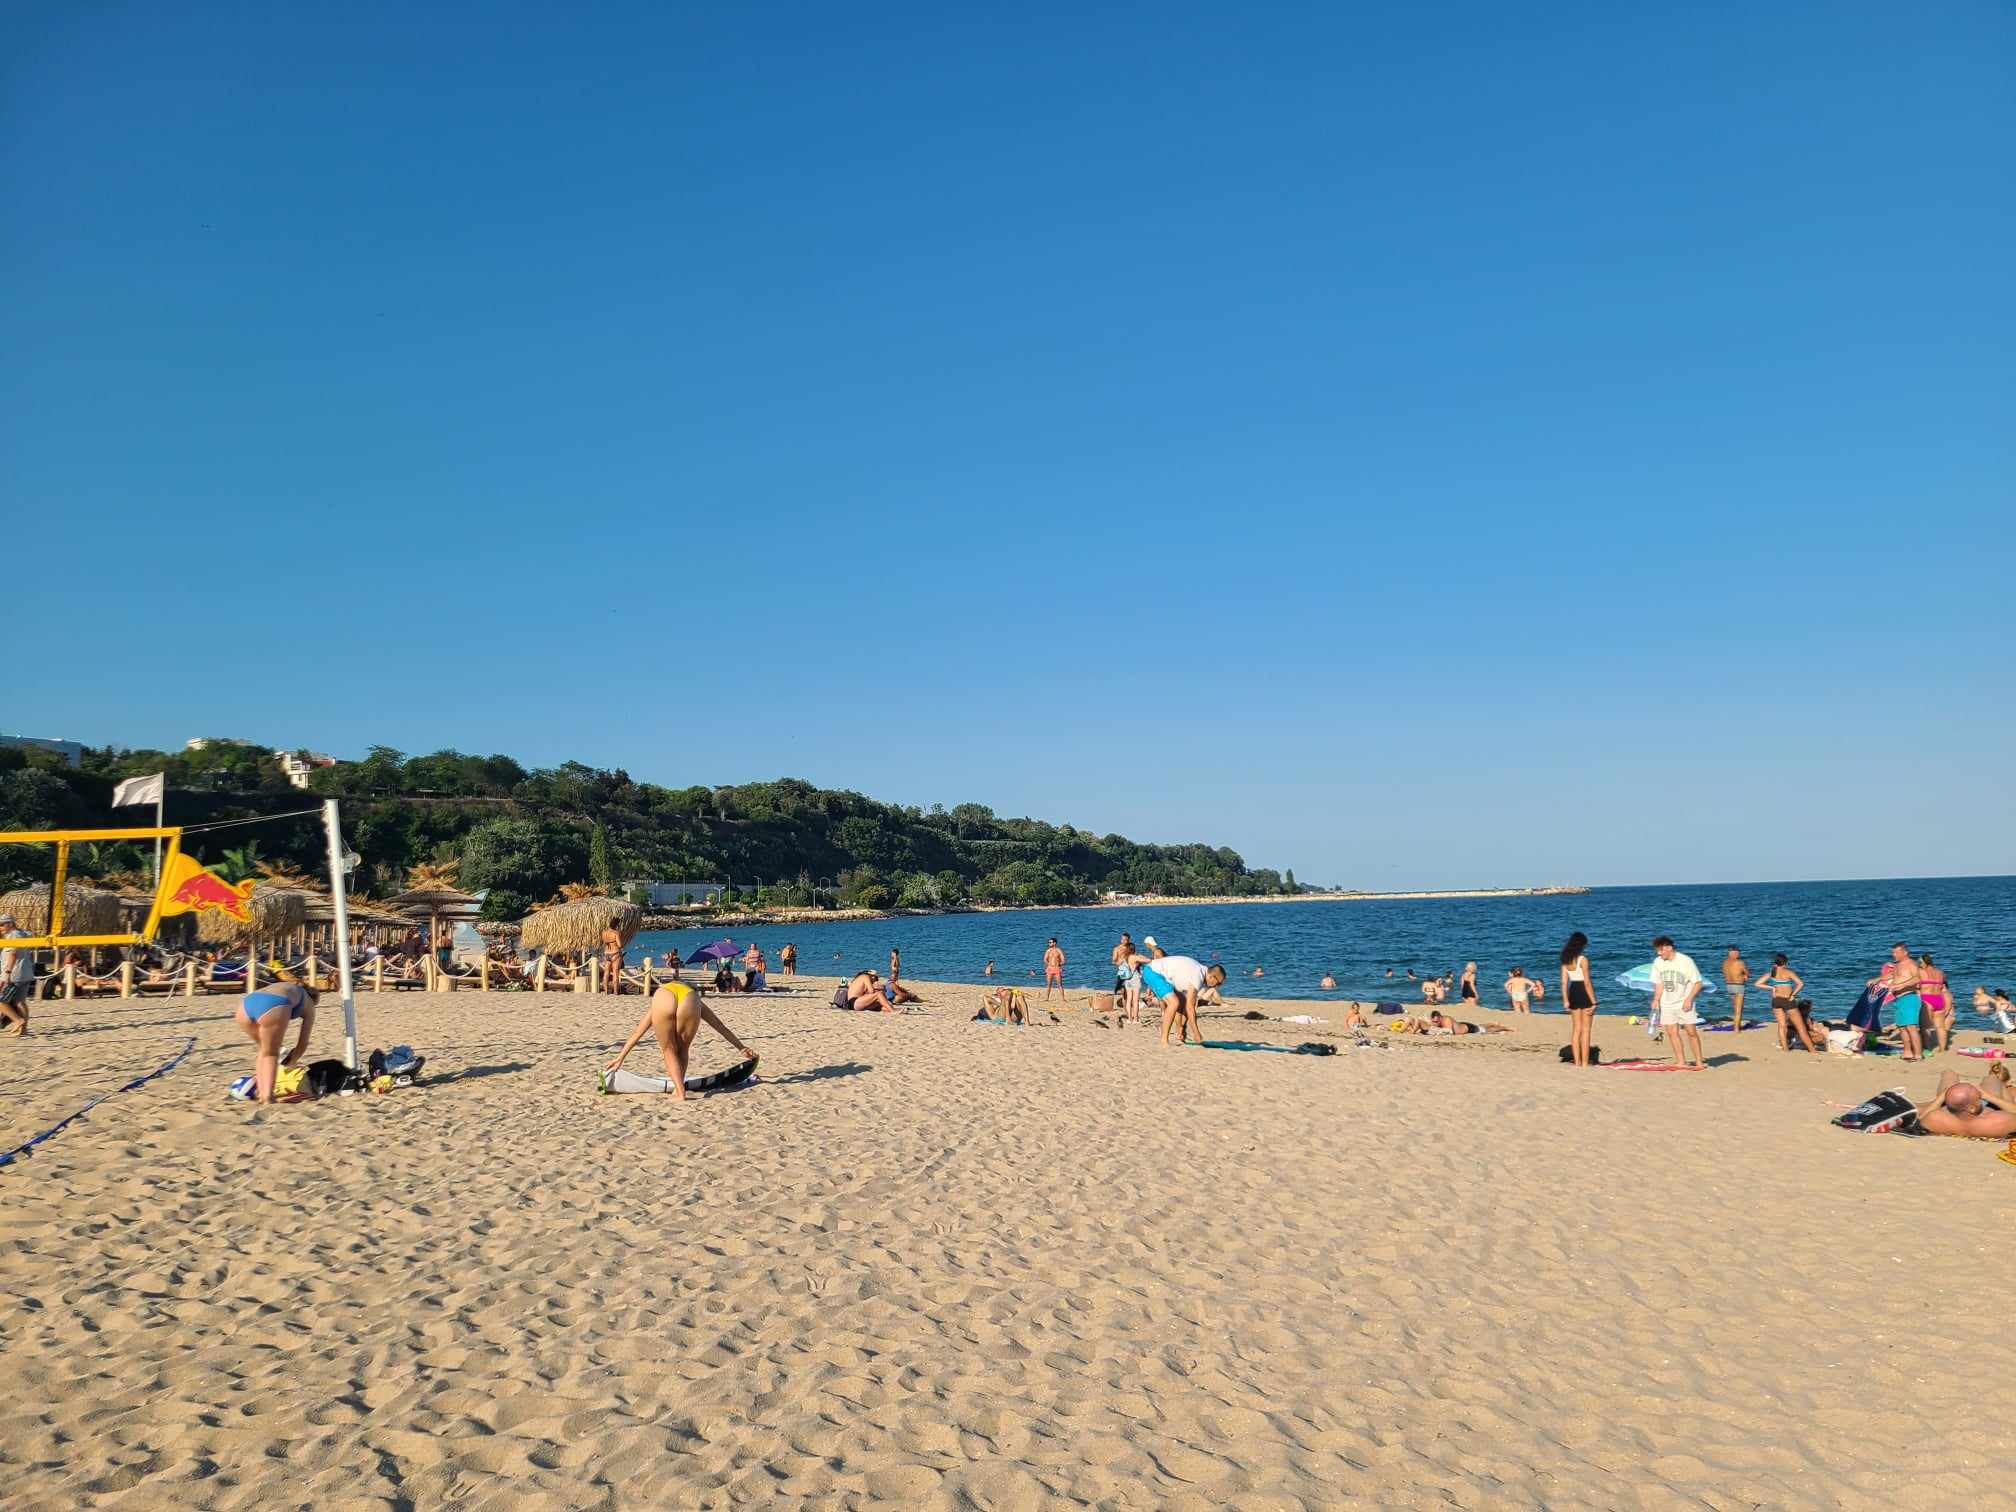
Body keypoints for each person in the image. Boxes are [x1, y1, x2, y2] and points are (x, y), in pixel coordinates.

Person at [604, 978, 756, 1101]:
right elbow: (719, 1026)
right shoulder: (694, 995)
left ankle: (680, 1091)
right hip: (689, 999)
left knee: (668, 1050)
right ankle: (679, 1089)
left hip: (664, 996)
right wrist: (741, 1047)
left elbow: (639, 1031)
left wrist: (620, 1058)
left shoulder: (665, 989)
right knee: (683, 1048)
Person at [235, 979, 319, 1103]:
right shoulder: (310, 1004)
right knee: (271, 1054)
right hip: (274, 1003)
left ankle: (262, 1092)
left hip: (246, 1005)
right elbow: (302, 1043)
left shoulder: (287, 987)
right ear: (314, 998)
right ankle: (268, 1096)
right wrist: (292, 1061)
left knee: (263, 1050)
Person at [1137, 952, 1227, 1048]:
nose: (1217, 986)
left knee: (1182, 1002)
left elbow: (1187, 1005)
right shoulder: (1198, 976)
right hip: (1153, 972)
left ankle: (1179, 1034)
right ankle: (1164, 1041)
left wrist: (1182, 1027)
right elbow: (1190, 1007)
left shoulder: (1201, 971)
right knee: (1174, 1003)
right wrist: (1196, 1033)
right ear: (1212, 977)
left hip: (1164, 977)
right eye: (1218, 983)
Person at [1649, 936, 1706, 1070]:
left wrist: (1689, 999)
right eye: (1657, 950)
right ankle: (1681, 1061)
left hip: (1684, 1002)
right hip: (1666, 1003)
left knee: (1691, 1032)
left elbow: (1698, 983)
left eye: (1661, 950)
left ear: (1669, 948)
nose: (1659, 953)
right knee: (1671, 1032)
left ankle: (1699, 1062)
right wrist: (1656, 999)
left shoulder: (1685, 961)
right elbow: (1659, 983)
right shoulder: (1658, 962)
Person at [1912, 1070, 2016, 1139]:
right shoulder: (2000, 1120)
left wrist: (1943, 1096)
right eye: (1979, 1097)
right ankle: (1996, 1080)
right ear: (1972, 1108)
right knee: (1991, 1079)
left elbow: (1921, 1119)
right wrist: (1988, 1096)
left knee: (1949, 1073)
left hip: (1953, 1109)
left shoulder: (1936, 1118)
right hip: (1987, 1109)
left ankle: (1935, 1098)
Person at [1757, 954, 1818, 1054]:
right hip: (1788, 1000)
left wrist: (1772, 988)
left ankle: (1785, 1049)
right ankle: (1812, 1050)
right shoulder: (1789, 972)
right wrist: (1793, 994)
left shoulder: (1772, 973)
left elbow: (1757, 983)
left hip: (1776, 1000)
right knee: (1801, 1028)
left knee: (1782, 1025)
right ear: (1785, 963)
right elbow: (1800, 984)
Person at [1882, 942, 1925, 1062]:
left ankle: (1918, 1055)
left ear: (1904, 952)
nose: (1893, 954)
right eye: (1893, 952)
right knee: (1901, 1027)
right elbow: (1891, 975)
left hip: (1909, 997)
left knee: (1911, 1027)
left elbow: (1917, 978)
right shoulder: (1898, 965)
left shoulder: (1911, 963)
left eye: (1896, 952)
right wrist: (1877, 979)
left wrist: (1900, 985)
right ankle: (1907, 1052)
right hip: (1898, 1000)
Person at [1560, 932, 1596, 1068]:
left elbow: (1563, 982)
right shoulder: (1583, 959)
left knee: (1576, 1029)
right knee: (1586, 1030)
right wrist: (1594, 1001)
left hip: (1573, 990)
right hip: (1583, 990)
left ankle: (1577, 1062)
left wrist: (1565, 1000)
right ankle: (1585, 1063)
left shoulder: (1566, 959)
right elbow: (1587, 981)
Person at [0, 914, 34, 1036]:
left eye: (2, 924)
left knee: (1, 1001)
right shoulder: (23, 933)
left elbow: (13, 954)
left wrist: (7, 973)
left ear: (10, 924)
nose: (0, 927)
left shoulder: (13, 936)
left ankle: (18, 1020)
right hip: (25, 972)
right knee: (20, 1002)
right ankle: (23, 1030)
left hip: (15, 974)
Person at [1918, 954, 1951, 1054]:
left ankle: (1927, 1049)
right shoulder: (1940, 972)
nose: (1919, 964)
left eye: (1920, 962)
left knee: (1925, 1027)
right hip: (1939, 999)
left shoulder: (1920, 972)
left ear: (1925, 962)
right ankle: (1942, 1049)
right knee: (1940, 1027)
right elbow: (1943, 987)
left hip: (1926, 999)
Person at [1112, 933, 1143, 1023]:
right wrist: (1121, 962)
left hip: (1133, 973)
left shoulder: (1130, 948)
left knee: (1130, 995)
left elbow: (1136, 960)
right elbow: (1113, 960)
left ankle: (1132, 1015)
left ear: (1128, 940)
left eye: (1125, 939)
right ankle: (1128, 1014)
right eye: (1122, 939)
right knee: (1124, 994)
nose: (1124, 941)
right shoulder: (1117, 949)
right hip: (1123, 973)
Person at [1722, 947, 1749, 1034]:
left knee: (1735, 1007)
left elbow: (1725, 973)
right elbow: (1747, 973)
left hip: (1729, 985)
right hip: (1738, 985)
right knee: (1738, 1009)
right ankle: (1736, 1029)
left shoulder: (1724, 963)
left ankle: (1736, 1025)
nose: (1738, 955)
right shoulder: (1740, 962)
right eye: (1737, 953)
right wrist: (1745, 975)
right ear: (1733, 953)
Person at [600, 925, 625, 994]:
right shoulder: (616, 933)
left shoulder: (604, 933)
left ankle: (606, 991)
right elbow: (619, 945)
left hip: (606, 953)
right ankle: (616, 992)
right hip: (615, 953)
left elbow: (604, 943)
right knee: (615, 973)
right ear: (616, 925)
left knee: (606, 973)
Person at [1042, 938, 1065, 1003]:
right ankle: (1047, 998)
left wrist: (1059, 964)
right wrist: (1049, 964)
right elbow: (1045, 959)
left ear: (1054, 943)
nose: (1049, 943)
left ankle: (1063, 998)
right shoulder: (1048, 951)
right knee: (1049, 984)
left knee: (1059, 984)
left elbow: (1063, 960)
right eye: (1049, 942)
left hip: (1057, 968)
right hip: (1050, 969)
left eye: (1050, 942)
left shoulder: (1059, 950)